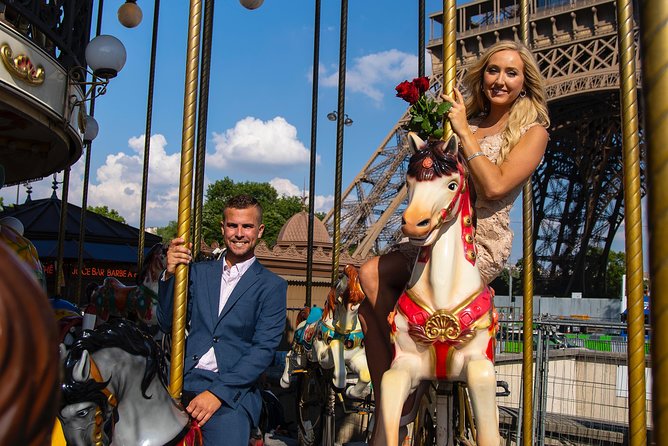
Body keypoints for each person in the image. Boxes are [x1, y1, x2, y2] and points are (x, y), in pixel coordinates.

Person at [358, 40, 550, 442]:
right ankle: (395, 398)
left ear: (524, 82)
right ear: (483, 74)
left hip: (480, 239)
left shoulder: (533, 133)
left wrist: (462, 129)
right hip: (441, 231)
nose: (500, 80)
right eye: (493, 70)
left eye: (511, 73)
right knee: (368, 275)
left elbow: (495, 186)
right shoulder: (466, 120)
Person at [157, 194, 288, 446]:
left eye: (247, 226)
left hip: (232, 392)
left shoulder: (272, 287)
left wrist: (217, 394)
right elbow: (166, 323)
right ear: (223, 228)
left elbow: (263, 350)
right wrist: (169, 275)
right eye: (232, 225)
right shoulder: (197, 272)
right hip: (181, 379)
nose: (239, 233)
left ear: (259, 231)